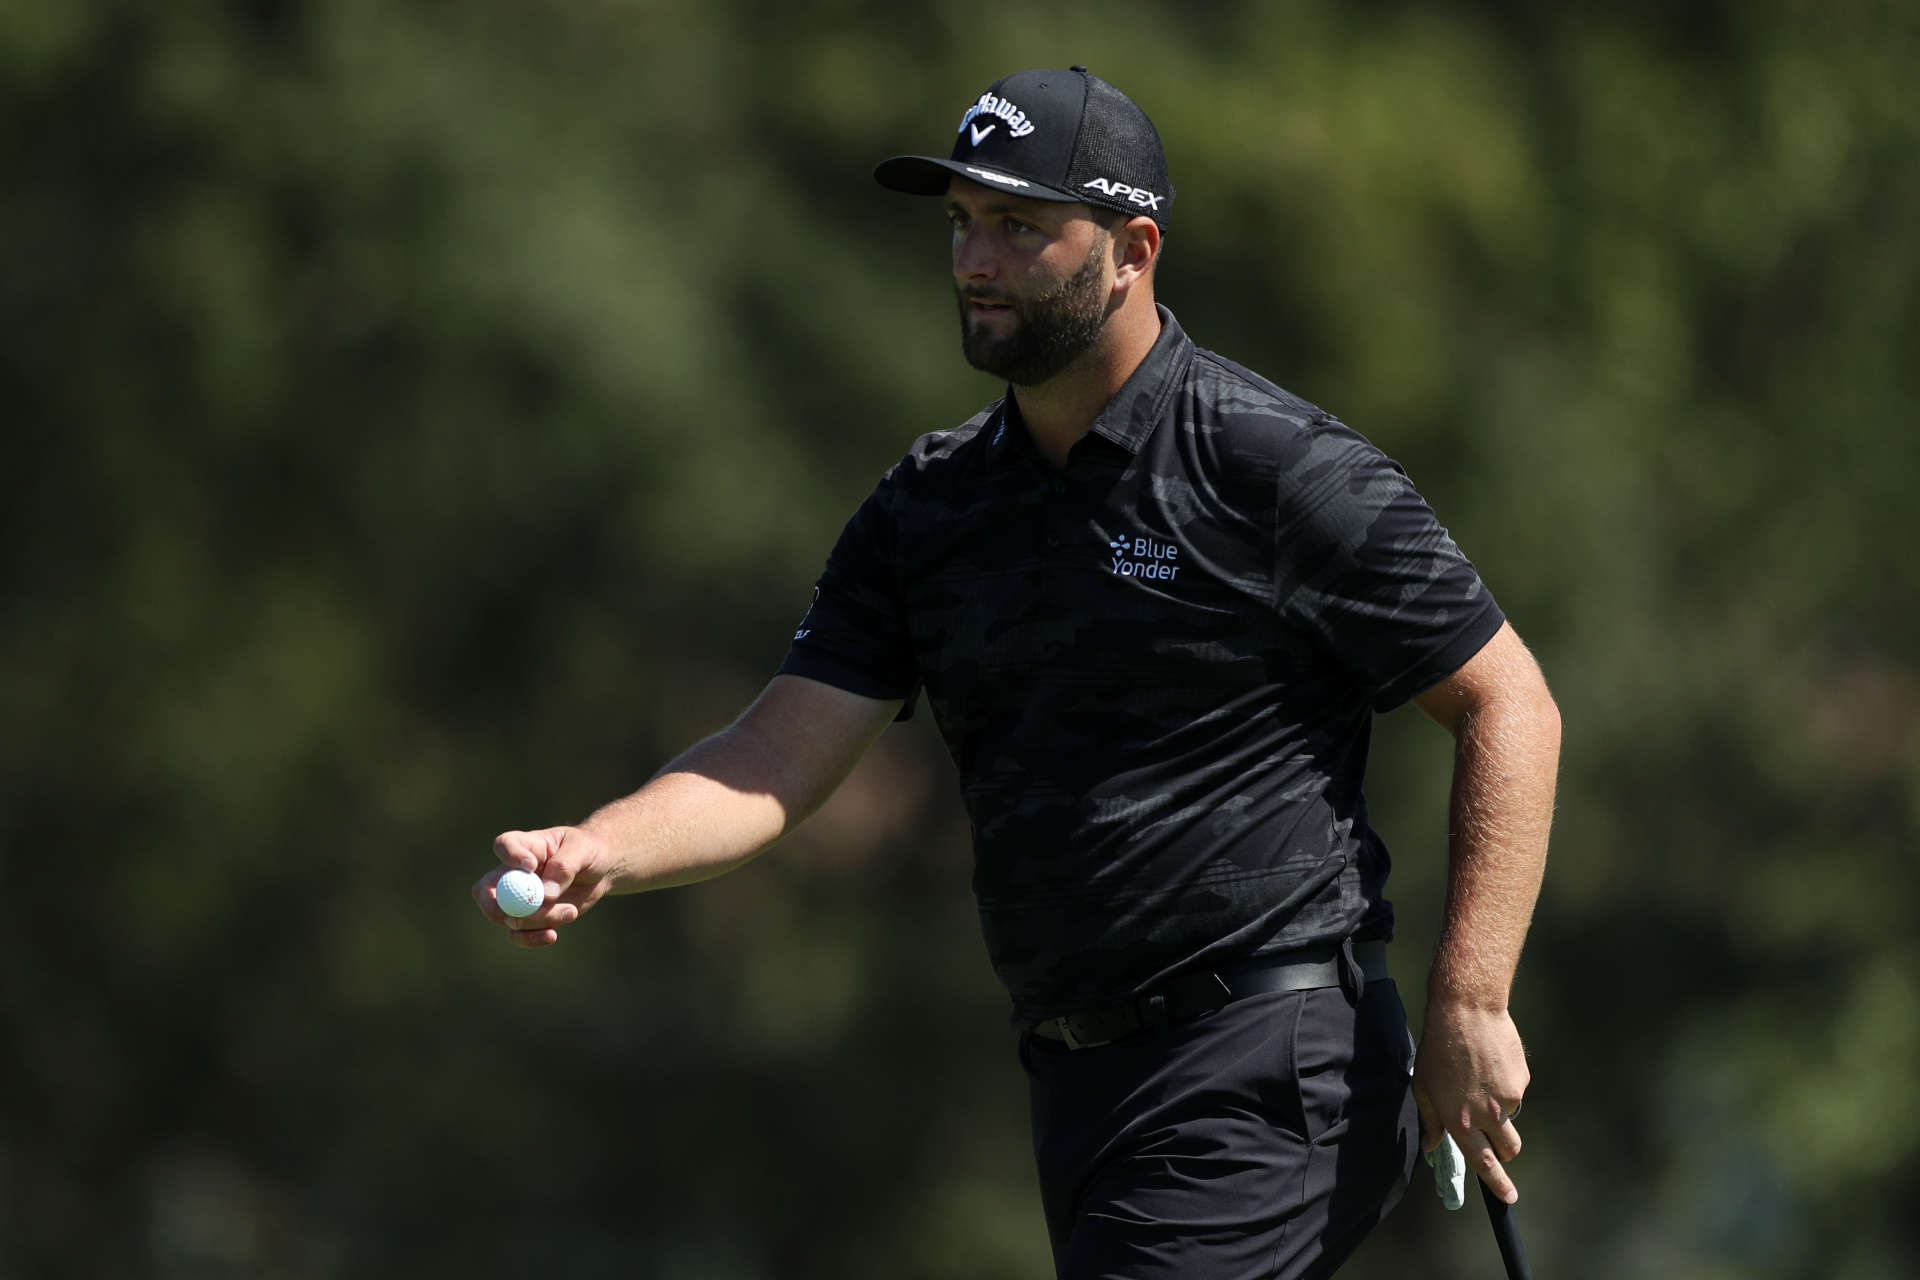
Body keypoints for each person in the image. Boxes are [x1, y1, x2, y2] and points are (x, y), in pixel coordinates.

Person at [474, 66, 1561, 1280]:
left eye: (1022, 227)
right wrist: (603, 845)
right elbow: (779, 751)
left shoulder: (1271, 465)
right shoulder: (931, 508)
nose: (977, 259)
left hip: (1269, 1061)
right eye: (962, 224)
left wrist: (1472, 997)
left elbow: (1507, 699)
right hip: (1079, 1085)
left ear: (1133, 248)